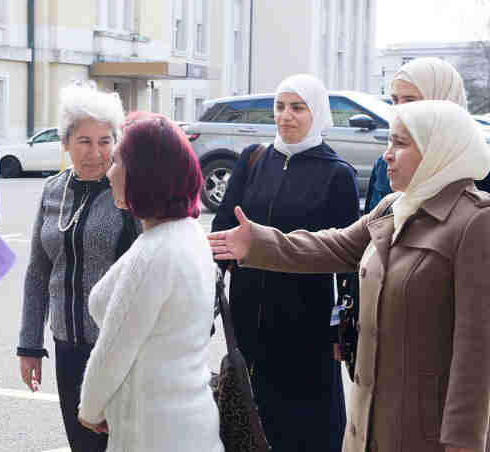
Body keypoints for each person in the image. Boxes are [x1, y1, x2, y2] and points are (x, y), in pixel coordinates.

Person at [210, 100, 490, 452]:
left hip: (425, 432)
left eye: (401, 144)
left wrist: (464, 442)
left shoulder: (476, 221)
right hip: (369, 425)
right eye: (389, 142)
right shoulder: (393, 207)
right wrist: (259, 242)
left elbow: (476, 352)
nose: (387, 155)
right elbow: (336, 245)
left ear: (440, 150)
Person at [210, 73, 360, 451]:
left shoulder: (335, 174)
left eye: (297, 107)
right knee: (248, 415)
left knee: (301, 425)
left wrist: (342, 327)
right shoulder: (254, 160)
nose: (286, 116)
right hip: (248, 315)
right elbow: (222, 229)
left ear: (317, 113)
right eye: (279, 107)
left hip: (303, 321)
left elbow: (347, 259)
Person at [76, 113, 223, 452]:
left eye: (117, 162)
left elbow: (115, 348)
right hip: (188, 421)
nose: (109, 172)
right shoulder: (183, 235)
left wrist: (90, 408)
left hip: (152, 431)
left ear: (142, 175)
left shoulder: (154, 253)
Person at [17, 81, 140, 452]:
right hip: (67, 344)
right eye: (84, 141)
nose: (96, 152)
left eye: (105, 141)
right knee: (82, 444)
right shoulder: (54, 190)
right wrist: (29, 345)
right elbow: (38, 271)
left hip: (114, 345)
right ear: (66, 142)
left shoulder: (127, 191)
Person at [363, 57, 490, 211]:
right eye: (395, 101)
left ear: (444, 101)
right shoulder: (385, 164)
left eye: (410, 101)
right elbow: (369, 229)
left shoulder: (480, 167)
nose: (400, 110)